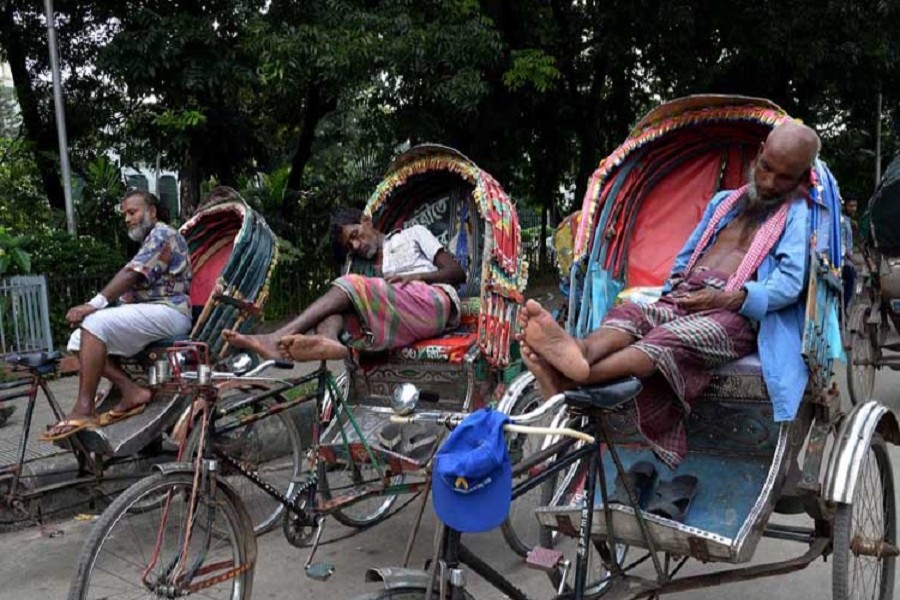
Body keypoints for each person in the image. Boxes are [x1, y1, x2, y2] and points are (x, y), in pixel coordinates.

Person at [519, 121, 820, 467]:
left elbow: (789, 283)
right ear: (761, 150)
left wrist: (728, 299)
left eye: (783, 178)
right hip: (687, 294)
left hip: (736, 312)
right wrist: (675, 290)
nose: (769, 183)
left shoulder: (798, 215)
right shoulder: (724, 202)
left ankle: (574, 376)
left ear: (801, 177)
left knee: (667, 338)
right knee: (632, 312)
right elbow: (686, 255)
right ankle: (580, 351)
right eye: (766, 168)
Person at [43, 191, 193, 441]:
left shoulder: (163, 233)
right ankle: (131, 390)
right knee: (78, 341)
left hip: (171, 310)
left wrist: (94, 304)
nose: (126, 218)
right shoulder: (148, 241)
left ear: (152, 212)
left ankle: (84, 409)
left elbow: (131, 274)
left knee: (94, 322)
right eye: (124, 214)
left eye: (132, 212)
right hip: (151, 313)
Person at [223, 208, 466, 361]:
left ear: (366, 220)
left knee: (351, 285)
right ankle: (329, 342)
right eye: (350, 246)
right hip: (398, 317)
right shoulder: (366, 267)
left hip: (434, 301)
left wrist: (416, 277)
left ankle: (277, 336)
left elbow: (456, 272)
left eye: (355, 234)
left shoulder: (413, 234)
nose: (357, 246)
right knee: (335, 305)